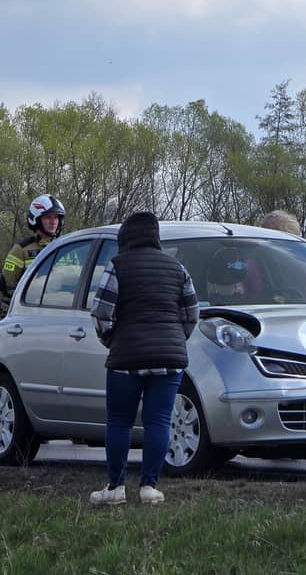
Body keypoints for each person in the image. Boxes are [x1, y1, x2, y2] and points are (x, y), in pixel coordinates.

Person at [88, 212, 199, 506]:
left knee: (120, 422)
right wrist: (175, 338)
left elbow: (101, 312)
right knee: (159, 421)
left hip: (126, 356)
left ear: (125, 237)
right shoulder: (178, 268)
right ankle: (149, 487)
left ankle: (116, 488)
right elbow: (192, 313)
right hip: (170, 358)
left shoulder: (118, 266)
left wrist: (111, 339)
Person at [0, 194, 66, 312]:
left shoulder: (67, 247)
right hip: (30, 312)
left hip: (63, 308)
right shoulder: (21, 250)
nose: (53, 222)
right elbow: (7, 287)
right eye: (48, 217)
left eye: (56, 217)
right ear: (36, 220)